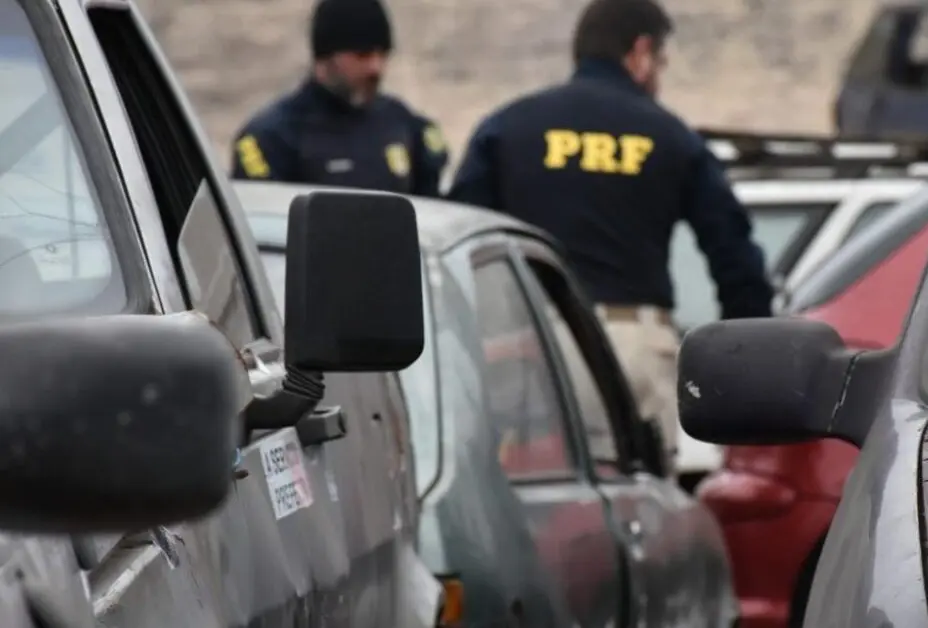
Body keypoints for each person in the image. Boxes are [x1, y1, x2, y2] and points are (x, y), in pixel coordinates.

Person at [447, 0, 773, 470]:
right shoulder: (671, 137)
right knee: (643, 493)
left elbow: (460, 239)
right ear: (639, 52)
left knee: (538, 491)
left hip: (532, 343)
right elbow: (734, 258)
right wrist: (748, 364)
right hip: (632, 346)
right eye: (660, 61)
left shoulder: (509, 128)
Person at [230, 0, 448, 196]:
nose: (376, 68)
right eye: (362, 55)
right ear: (325, 58)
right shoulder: (272, 137)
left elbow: (433, 210)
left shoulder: (405, 124)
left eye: (383, 54)